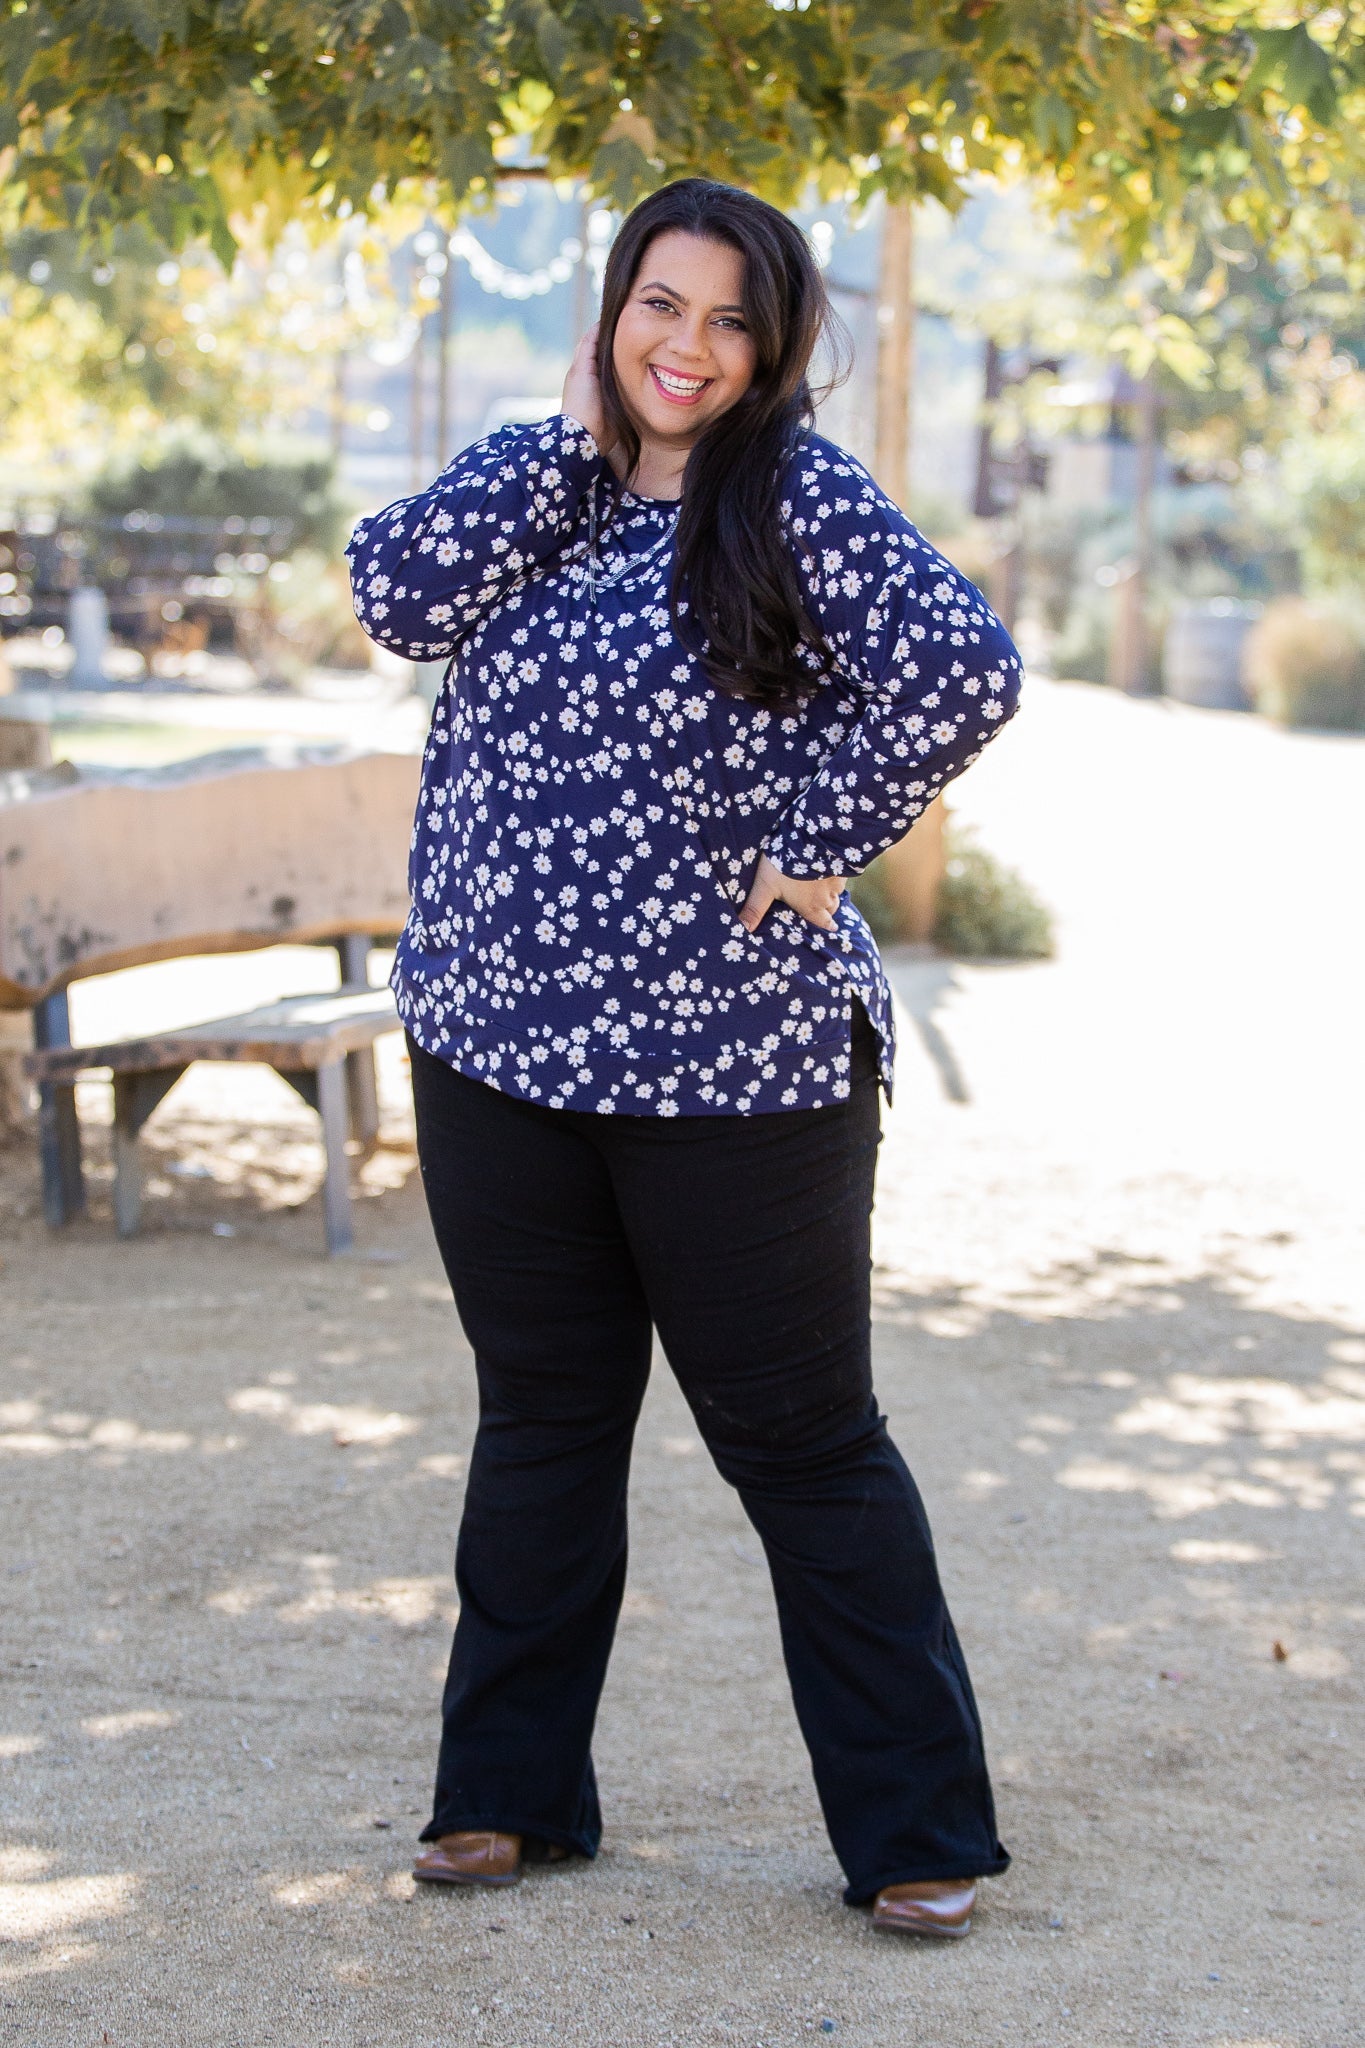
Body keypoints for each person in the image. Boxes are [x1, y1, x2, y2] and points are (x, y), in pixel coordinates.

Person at [347, 178, 1021, 1940]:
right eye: (661, 305)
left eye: (729, 319)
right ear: (611, 312)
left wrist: (824, 828)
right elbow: (393, 595)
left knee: (803, 1446)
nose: (688, 348)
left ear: (772, 342)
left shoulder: (798, 495)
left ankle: (914, 1831)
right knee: (545, 1427)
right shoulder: (535, 486)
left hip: (737, 1069)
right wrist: (556, 444)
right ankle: (502, 1801)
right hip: (499, 1047)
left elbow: (962, 670)